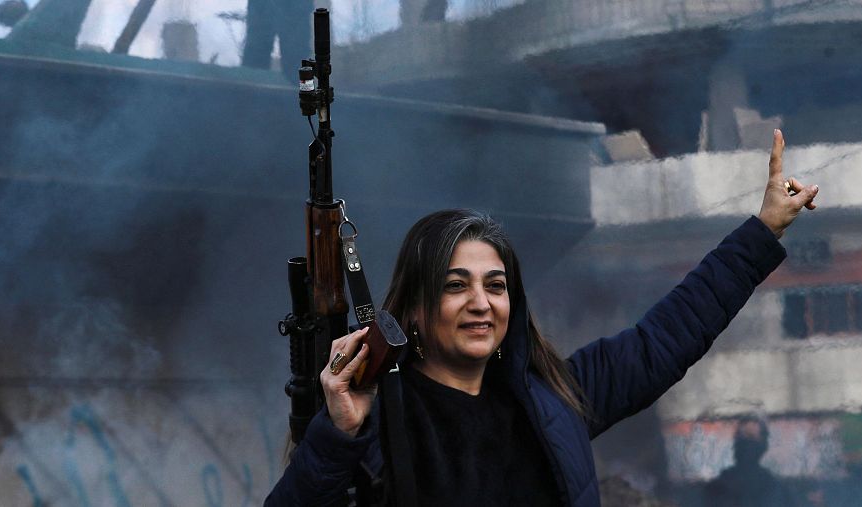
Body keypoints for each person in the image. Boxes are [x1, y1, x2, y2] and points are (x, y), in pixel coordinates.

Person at [264, 129, 820, 506]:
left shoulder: (557, 399)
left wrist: (763, 229)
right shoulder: (372, 420)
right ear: (413, 308)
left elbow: (668, 335)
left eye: (496, 285)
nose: (481, 302)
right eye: (456, 285)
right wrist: (338, 433)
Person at [703, 418, 793, 507]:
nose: (743, 443)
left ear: (762, 446)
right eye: (740, 436)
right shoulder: (718, 486)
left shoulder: (774, 488)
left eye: (750, 437)